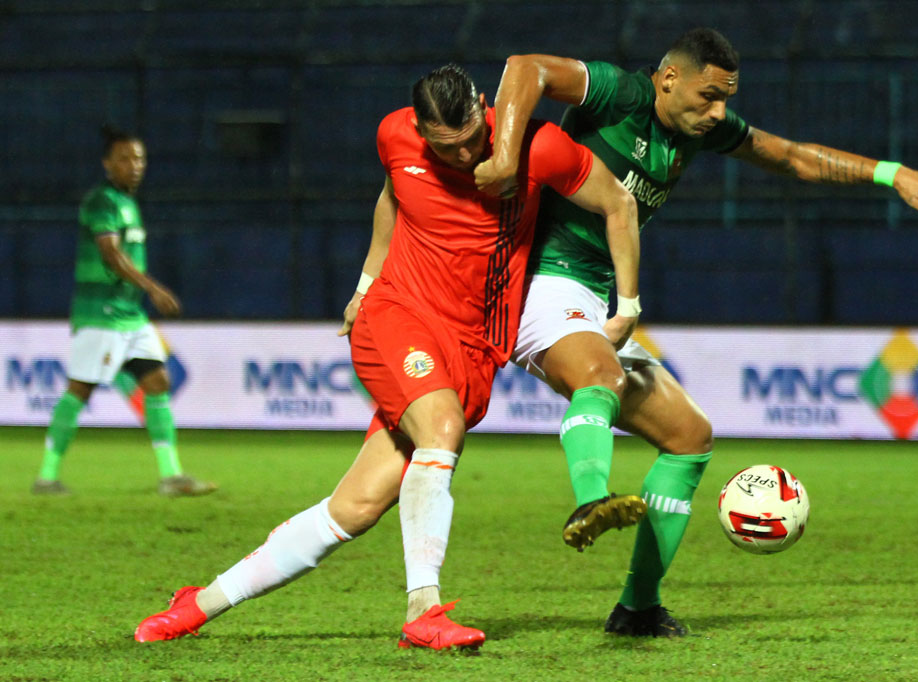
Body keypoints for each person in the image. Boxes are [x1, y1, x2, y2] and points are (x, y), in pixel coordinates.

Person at [134, 64, 640, 650]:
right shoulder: (394, 136)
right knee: (442, 427)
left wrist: (626, 304)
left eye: (472, 140)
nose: (461, 157)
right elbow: (392, 199)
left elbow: (619, 205)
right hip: (399, 316)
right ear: (421, 131)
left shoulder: (539, 147)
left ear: (484, 106)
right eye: (444, 148)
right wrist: (366, 286)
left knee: (356, 507)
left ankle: (197, 605)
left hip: (475, 344)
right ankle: (424, 610)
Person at [465, 27, 918, 637]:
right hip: (539, 279)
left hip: (595, 295)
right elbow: (525, 65)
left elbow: (794, 157)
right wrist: (507, 153)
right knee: (601, 375)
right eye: (708, 97)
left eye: (725, 100)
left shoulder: (699, 128)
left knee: (690, 435)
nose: (718, 113)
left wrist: (891, 172)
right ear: (668, 79)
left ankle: (638, 608)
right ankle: (591, 496)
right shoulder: (618, 94)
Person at [32, 126, 216, 498]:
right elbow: (111, 255)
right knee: (80, 391)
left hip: (129, 316)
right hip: (100, 313)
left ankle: (171, 476)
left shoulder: (128, 203)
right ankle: (47, 477)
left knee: (158, 382)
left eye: (139, 158)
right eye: (124, 158)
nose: (134, 166)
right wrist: (153, 287)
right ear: (107, 163)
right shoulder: (102, 201)